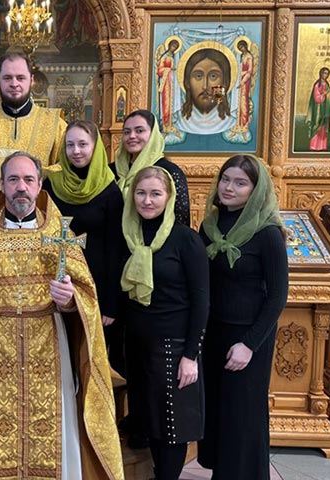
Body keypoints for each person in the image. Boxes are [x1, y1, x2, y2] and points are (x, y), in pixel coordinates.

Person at [0, 152, 124, 480]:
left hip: (50, 351)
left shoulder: (62, 239)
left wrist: (71, 301)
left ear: (40, 185)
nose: (21, 188)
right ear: (1, 185)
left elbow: (86, 303)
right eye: (13, 180)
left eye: (28, 180)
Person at [197, 154, 288, 480]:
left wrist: (248, 345)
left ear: (255, 189)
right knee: (219, 413)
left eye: (240, 182)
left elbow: (278, 296)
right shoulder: (209, 226)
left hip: (249, 339)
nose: (229, 188)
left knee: (242, 416)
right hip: (214, 334)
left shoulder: (268, 234)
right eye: (225, 179)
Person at [120, 166, 209, 479]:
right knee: (151, 420)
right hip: (138, 344)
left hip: (173, 346)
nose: (147, 200)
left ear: (169, 197)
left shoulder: (185, 239)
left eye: (155, 194)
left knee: (173, 426)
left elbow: (201, 301)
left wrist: (190, 356)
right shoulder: (129, 234)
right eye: (141, 193)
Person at [42, 120, 124, 367]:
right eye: (70, 145)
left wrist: (111, 303)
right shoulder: (51, 184)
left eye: (82, 144)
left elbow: (116, 247)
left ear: (95, 147)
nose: (76, 151)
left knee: (91, 357)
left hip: (96, 282)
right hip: (55, 281)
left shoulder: (109, 190)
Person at [0, 53, 67, 166]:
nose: (14, 84)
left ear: (31, 81)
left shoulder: (55, 124)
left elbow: (66, 169)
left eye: (20, 78)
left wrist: (35, 176)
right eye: (7, 78)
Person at [113, 109, 190, 226]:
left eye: (139, 131)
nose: (132, 136)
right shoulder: (112, 171)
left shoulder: (169, 171)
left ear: (153, 134)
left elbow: (181, 217)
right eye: (127, 132)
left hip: (157, 240)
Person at [175, 48, 235, 135]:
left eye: (213, 76)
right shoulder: (178, 122)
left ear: (225, 83)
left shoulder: (232, 123)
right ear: (187, 82)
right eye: (198, 76)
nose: (205, 86)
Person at [306, 67, 330, 151]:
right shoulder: (317, 84)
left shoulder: (326, 84)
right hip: (318, 109)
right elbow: (316, 98)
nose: (326, 75)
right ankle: (314, 146)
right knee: (317, 127)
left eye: (327, 73)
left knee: (323, 128)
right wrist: (324, 95)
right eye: (324, 73)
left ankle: (322, 146)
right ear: (320, 73)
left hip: (325, 110)